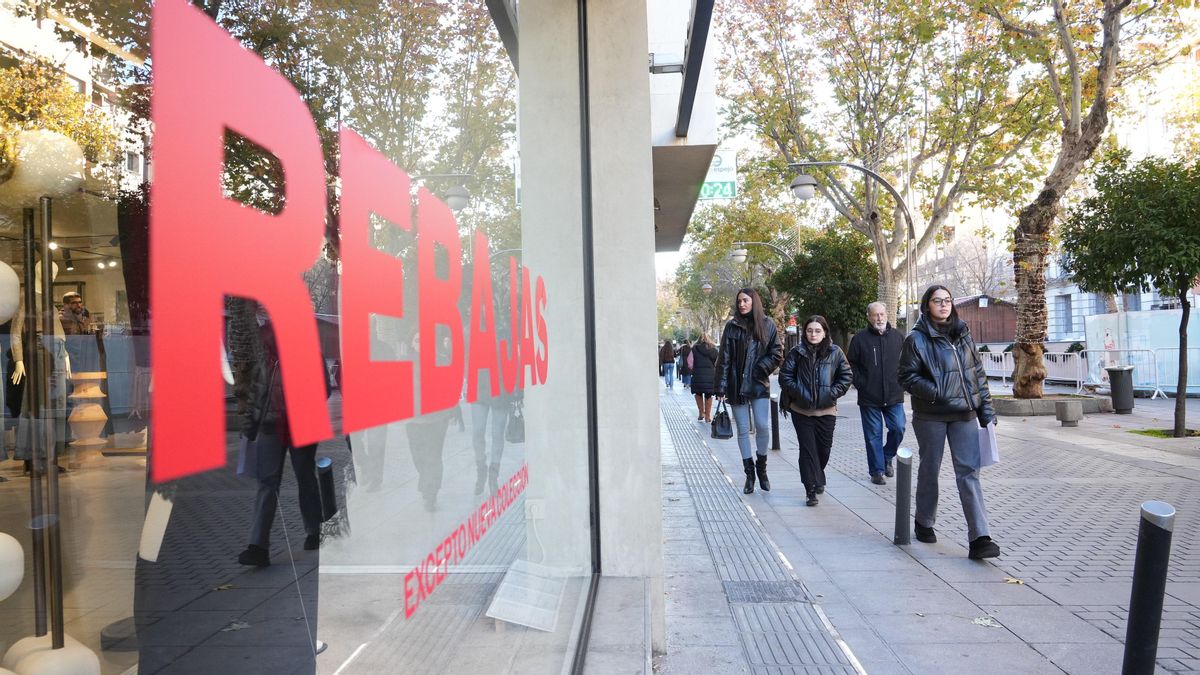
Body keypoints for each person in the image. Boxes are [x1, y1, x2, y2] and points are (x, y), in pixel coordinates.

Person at [898, 285, 1001, 560]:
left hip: (964, 415)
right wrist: (936, 391)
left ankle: (980, 537)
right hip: (931, 415)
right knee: (930, 469)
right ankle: (924, 521)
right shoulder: (916, 339)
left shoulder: (963, 332)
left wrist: (986, 411)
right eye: (937, 301)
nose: (943, 305)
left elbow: (978, 374)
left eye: (947, 300)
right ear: (926, 306)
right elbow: (906, 376)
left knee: (969, 472)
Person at [238, 318, 324, 567]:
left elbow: (323, 389)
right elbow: (254, 391)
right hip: (270, 425)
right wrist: (250, 426)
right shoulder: (263, 354)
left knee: (304, 476)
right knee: (267, 482)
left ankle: (314, 530)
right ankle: (257, 547)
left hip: (302, 425)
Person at [716, 288, 783, 494]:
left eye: (745, 300)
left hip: (758, 384)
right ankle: (750, 474)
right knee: (743, 430)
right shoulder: (732, 326)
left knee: (763, 426)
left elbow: (777, 352)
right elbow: (724, 357)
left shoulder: (767, 324)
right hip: (736, 386)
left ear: (754, 301)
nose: (742, 304)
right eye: (739, 301)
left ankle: (761, 467)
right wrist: (721, 386)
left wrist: (761, 368)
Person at [780, 315, 852, 506]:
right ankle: (810, 488)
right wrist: (799, 393)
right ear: (805, 332)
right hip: (801, 410)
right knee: (807, 450)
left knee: (823, 450)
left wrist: (830, 393)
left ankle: (817, 475)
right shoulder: (796, 352)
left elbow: (846, 376)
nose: (813, 334)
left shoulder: (835, 352)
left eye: (817, 331)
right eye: (810, 330)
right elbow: (785, 376)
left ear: (825, 332)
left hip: (827, 410)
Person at [847, 302, 906, 485]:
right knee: (873, 435)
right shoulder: (859, 339)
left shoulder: (898, 337)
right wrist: (861, 383)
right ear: (869, 317)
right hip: (869, 397)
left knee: (898, 428)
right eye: (875, 315)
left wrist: (902, 382)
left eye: (882, 314)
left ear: (886, 315)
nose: (879, 318)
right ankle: (877, 471)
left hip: (894, 395)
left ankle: (887, 456)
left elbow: (906, 362)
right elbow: (851, 365)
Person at [688, 334, 718, 422]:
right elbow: (717, 362)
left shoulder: (694, 349)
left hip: (697, 374)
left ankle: (701, 413)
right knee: (709, 394)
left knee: (698, 393)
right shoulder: (713, 350)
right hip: (710, 375)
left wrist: (695, 368)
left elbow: (690, 363)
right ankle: (708, 416)